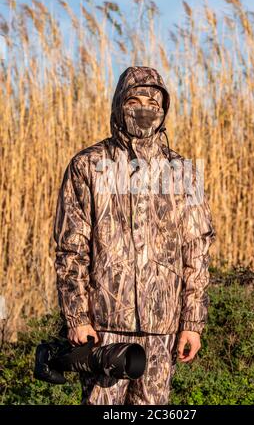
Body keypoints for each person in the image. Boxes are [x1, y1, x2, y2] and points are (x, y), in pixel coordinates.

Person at [53, 66, 216, 405]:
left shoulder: (182, 173)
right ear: (118, 105)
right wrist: (77, 318)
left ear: (163, 111)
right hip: (105, 327)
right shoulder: (88, 166)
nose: (143, 109)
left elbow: (197, 253)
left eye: (152, 103)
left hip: (163, 329)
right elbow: (71, 250)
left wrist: (192, 323)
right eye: (133, 100)